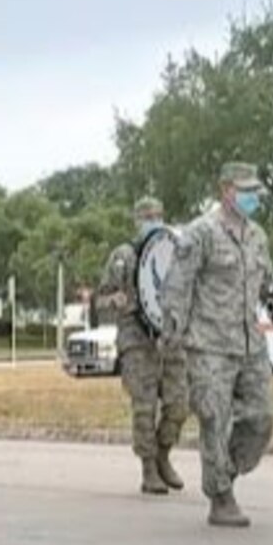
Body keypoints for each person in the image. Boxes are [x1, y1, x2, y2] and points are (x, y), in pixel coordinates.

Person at [159, 163, 273, 528]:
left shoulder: (257, 236)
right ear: (225, 190)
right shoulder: (200, 234)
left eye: (255, 191)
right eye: (245, 190)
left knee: (262, 417)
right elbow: (177, 285)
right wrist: (173, 334)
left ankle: (224, 468)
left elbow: (267, 283)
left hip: (249, 344)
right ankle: (221, 497)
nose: (252, 197)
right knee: (215, 419)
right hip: (209, 344)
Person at [92, 197, 188, 496]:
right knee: (144, 407)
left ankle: (163, 453)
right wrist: (115, 301)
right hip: (136, 339)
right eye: (147, 216)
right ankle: (148, 467)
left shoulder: (173, 250)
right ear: (136, 219)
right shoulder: (124, 256)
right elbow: (100, 300)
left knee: (179, 404)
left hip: (168, 338)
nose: (153, 220)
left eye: (158, 215)